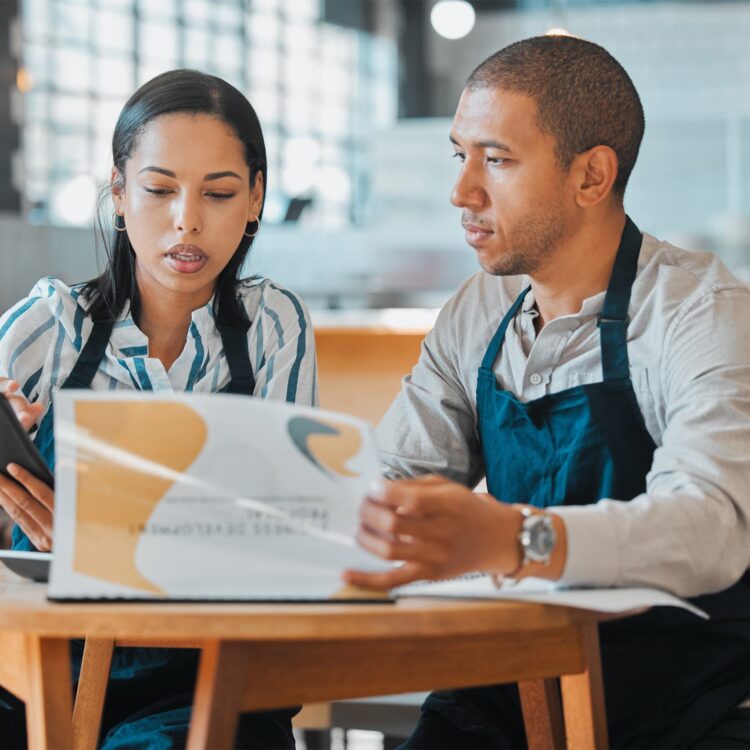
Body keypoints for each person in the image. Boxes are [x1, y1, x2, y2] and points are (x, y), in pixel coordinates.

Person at [344, 35, 750, 748]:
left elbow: (711, 526)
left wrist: (513, 538)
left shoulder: (700, 310)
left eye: (496, 159)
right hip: (513, 690)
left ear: (592, 176)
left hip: (688, 705)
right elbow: (390, 482)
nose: (462, 191)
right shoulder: (479, 308)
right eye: (459, 154)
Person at [0, 69, 316, 749]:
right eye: (159, 189)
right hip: (40, 671)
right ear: (119, 194)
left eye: (220, 193)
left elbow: (290, 534)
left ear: (256, 198)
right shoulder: (47, 325)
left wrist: (106, 540)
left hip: (211, 675)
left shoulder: (274, 327)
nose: (188, 220)